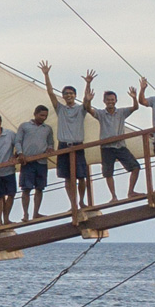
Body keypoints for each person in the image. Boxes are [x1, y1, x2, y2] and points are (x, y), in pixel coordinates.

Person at [39, 61, 93, 210]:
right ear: (63, 96)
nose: (69, 96)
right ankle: (73, 204)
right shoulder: (60, 109)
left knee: (81, 176)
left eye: (71, 94)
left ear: (75, 95)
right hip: (64, 146)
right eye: (66, 94)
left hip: (77, 145)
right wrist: (46, 75)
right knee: (68, 178)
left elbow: (87, 101)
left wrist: (87, 84)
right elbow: (50, 93)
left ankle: (82, 201)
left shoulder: (81, 109)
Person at [84, 84, 141, 200]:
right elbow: (88, 109)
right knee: (108, 173)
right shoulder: (101, 113)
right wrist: (88, 100)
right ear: (104, 101)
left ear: (116, 101)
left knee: (135, 167)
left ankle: (131, 191)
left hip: (120, 146)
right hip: (107, 147)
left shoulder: (121, 112)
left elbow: (135, 107)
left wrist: (134, 98)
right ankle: (113, 196)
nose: (110, 102)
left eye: (112, 100)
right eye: (108, 100)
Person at [16, 106, 54, 221]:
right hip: (27, 161)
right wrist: (20, 153)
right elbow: (18, 141)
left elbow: (50, 142)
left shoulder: (47, 128)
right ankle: (25, 214)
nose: (43, 118)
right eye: (41, 115)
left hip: (41, 161)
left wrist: (50, 149)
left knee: (40, 188)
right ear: (35, 114)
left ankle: (36, 212)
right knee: (26, 188)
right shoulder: (24, 126)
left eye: (45, 116)